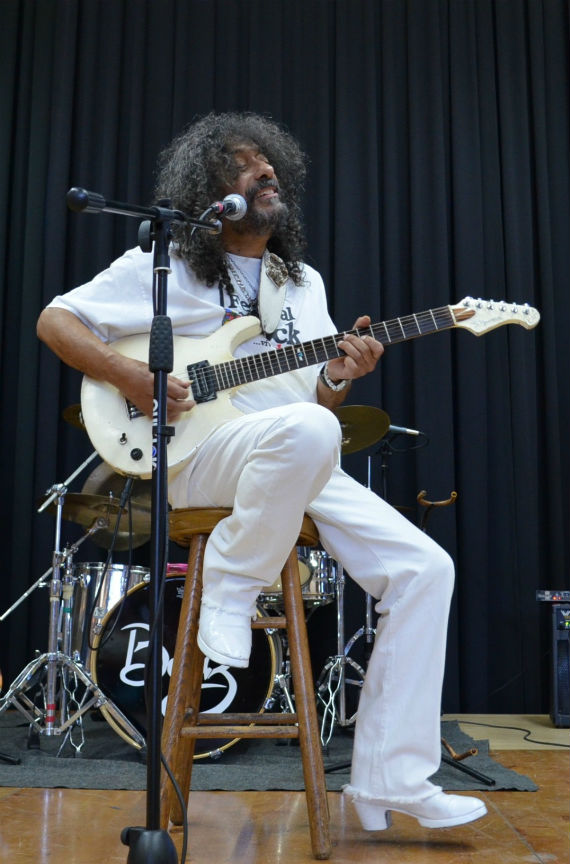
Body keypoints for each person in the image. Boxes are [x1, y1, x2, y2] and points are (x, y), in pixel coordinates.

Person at [37, 111, 487, 832]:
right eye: (248, 168)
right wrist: (135, 376)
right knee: (309, 430)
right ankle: (229, 592)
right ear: (212, 191)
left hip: (291, 456)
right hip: (201, 458)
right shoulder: (168, 264)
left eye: (271, 167)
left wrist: (340, 376)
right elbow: (56, 322)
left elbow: (311, 401)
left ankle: (388, 781)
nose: (266, 176)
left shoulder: (298, 280)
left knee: (425, 569)